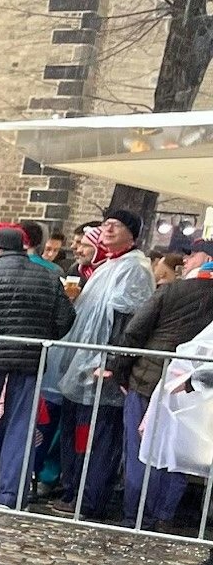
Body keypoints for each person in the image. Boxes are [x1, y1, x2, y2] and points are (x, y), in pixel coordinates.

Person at [0, 225, 76, 508]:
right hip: (30, 363)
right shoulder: (49, 275)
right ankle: (9, 495)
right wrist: (42, 339)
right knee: (20, 429)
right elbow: (66, 318)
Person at [46, 209, 155, 518]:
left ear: (131, 233)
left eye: (115, 225)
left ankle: (88, 497)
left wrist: (113, 361)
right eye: (105, 224)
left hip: (101, 370)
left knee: (96, 437)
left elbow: (127, 320)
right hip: (83, 368)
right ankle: (74, 489)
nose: (107, 229)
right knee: (79, 433)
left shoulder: (135, 269)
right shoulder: (111, 264)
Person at [109, 238, 213, 528]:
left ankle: (136, 514)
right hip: (197, 388)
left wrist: (120, 372)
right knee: (178, 452)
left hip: (152, 379)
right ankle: (162, 515)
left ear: (205, 258)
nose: (186, 261)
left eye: (191, 257)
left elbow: (134, 332)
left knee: (141, 452)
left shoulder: (172, 291)